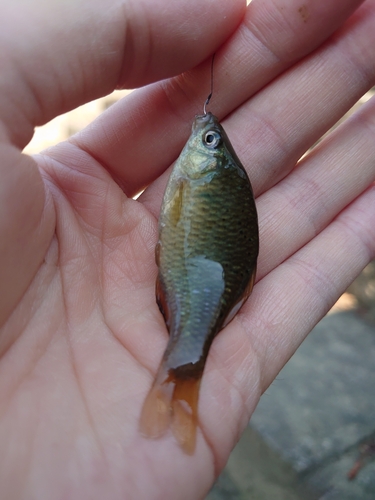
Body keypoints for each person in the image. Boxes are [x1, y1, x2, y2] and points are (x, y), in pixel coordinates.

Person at [1, 0, 374, 498]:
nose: (206, 136)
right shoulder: (203, 177)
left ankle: (183, 371)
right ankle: (182, 378)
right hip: (201, 278)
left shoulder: (201, 178)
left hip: (201, 280)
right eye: (214, 140)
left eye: (211, 143)